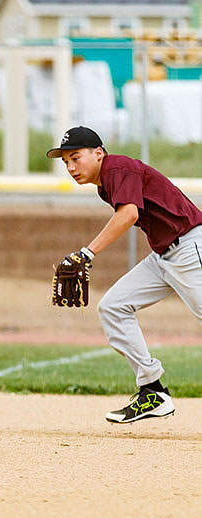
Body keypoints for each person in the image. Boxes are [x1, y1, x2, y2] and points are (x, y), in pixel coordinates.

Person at [47, 126, 202, 423]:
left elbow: (128, 214)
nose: (70, 167)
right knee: (113, 307)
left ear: (98, 153)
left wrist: (87, 253)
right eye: (65, 161)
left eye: (75, 158)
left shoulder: (117, 168)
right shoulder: (105, 183)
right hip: (164, 255)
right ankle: (153, 391)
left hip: (189, 247)